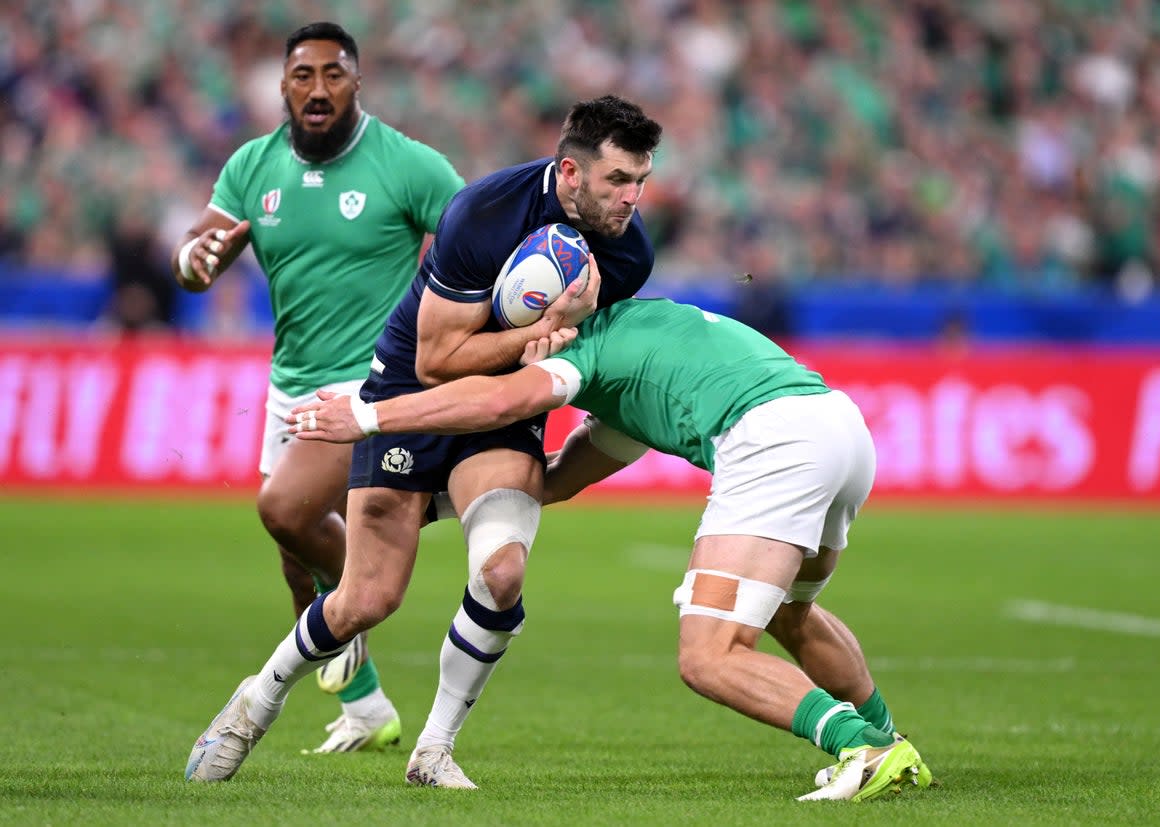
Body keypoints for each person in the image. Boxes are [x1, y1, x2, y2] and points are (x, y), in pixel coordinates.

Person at [184, 94, 663, 785]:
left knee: (501, 573)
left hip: (501, 407)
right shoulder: (484, 213)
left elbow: (559, 356)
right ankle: (256, 700)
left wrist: (557, 351)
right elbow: (439, 358)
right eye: (618, 180)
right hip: (412, 388)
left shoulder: (629, 253)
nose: (632, 198)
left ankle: (434, 748)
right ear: (569, 173)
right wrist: (540, 331)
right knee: (364, 600)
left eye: (641, 181)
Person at [282, 297, 934, 801]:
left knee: (709, 657)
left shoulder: (584, 348)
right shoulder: (639, 347)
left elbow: (502, 399)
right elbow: (556, 479)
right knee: (789, 613)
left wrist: (368, 416)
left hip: (774, 441)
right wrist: (430, 506)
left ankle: (861, 749)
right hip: (839, 427)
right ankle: (887, 736)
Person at [171, 21, 465, 754]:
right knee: (293, 553)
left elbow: (473, 233)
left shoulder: (405, 164)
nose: (318, 88)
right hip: (289, 381)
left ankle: (366, 584)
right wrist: (194, 261)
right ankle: (366, 706)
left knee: (284, 507)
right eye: (303, 75)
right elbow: (195, 254)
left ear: (356, 84)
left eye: (334, 74)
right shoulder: (252, 166)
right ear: (282, 86)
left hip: (370, 380)